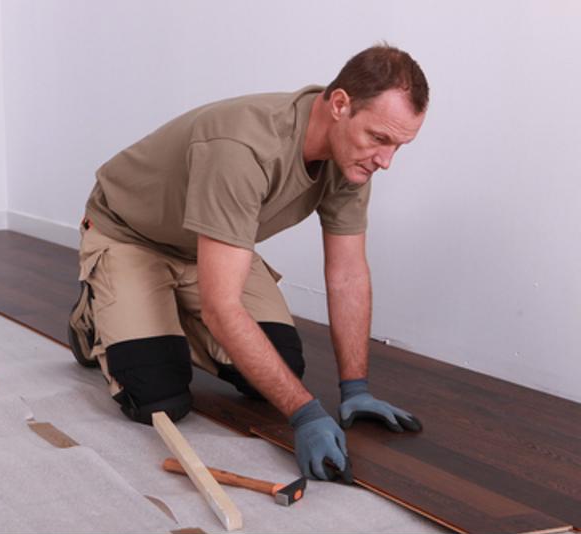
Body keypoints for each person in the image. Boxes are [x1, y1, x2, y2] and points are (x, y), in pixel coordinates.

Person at [68, 44, 428, 483]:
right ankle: (93, 321)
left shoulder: (351, 159)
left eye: (399, 146)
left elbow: (348, 275)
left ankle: (161, 314)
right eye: (380, 138)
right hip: (131, 234)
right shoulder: (243, 148)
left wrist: (356, 389)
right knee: (156, 397)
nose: (387, 161)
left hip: (207, 247)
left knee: (280, 368)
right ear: (340, 105)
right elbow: (223, 308)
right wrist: (305, 414)